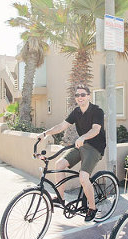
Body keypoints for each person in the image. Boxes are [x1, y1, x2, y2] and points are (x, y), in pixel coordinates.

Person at [37, 84, 106, 222]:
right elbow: (62, 126)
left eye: (83, 95)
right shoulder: (76, 112)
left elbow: (96, 130)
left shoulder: (97, 111)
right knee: (59, 164)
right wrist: (45, 133)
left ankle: (92, 208)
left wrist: (83, 137)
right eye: (77, 95)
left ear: (88, 96)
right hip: (81, 145)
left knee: (83, 177)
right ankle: (60, 197)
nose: (80, 97)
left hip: (94, 147)